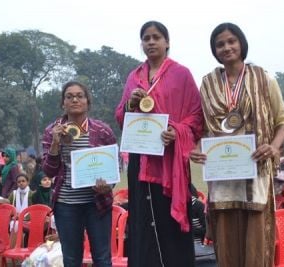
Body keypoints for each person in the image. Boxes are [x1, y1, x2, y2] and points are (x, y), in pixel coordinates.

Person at [189, 22, 284, 267]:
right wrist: (194, 147)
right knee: (226, 244)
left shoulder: (264, 78)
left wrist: (274, 147)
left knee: (256, 244)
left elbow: (283, 121)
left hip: (255, 173)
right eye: (220, 44)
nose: (226, 47)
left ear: (241, 44)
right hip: (222, 177)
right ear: (214, 50)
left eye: (231, 41)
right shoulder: (208, 84)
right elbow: (199, 126)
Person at [115, 21, 203, 267]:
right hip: (140, 160)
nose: (151, 42)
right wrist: (131, 104)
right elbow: (121, 116)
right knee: (142, 220)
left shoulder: (181, 74)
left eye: (156, 37)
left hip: (168, 162)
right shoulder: (134, 76)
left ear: (167, 42)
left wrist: (176, 132)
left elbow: (196, 117)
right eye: (146, 38)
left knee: (169, 222)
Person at [43, 81, 116, 267]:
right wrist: (55, 144)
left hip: (97, 203)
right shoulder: (52, 131)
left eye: (79, 96)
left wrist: (107, 186)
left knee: (102, 258)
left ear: (87, 102)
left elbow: (112, 169)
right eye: (69, 96)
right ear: (63, 103)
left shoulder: (102, 131)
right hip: (66, 205)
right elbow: (48, 171)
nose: (75, 99)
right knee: (71, 259)